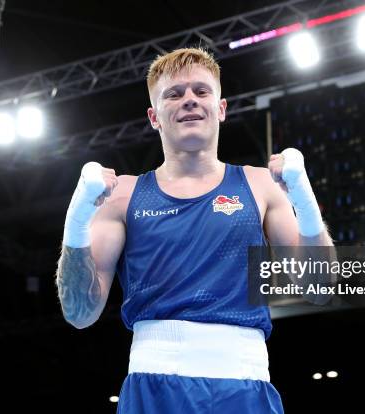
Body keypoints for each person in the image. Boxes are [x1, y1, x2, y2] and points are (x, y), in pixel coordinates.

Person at [55, 47, 333, 413]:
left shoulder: (261, 185)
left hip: (246, 385)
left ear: (221, 108)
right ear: (154, 117)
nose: (189, 100)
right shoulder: (121, 195)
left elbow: (319, 289)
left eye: (201, 91)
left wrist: (305, 200)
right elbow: (80, 313)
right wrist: (76, 222)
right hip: (154, 385)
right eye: (174, 93)